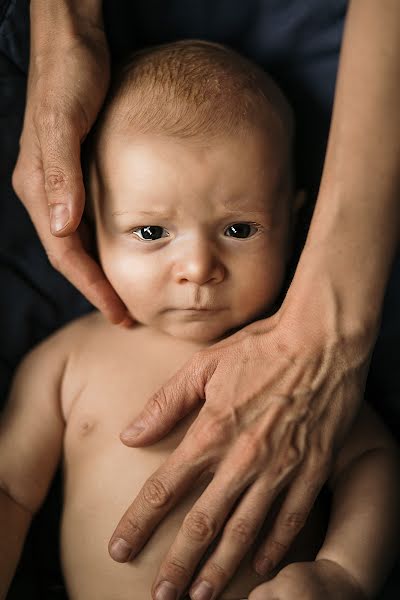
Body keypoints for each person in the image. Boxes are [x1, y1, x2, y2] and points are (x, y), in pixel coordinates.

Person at [3, 0, 400, 597]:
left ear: (296, 223)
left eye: (239, 229)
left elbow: (372, 462)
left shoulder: (303, 384)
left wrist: (341, 573)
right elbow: (9, 489)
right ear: (89, 224)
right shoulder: (66, 362)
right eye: (150, 232)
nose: (196, 268)